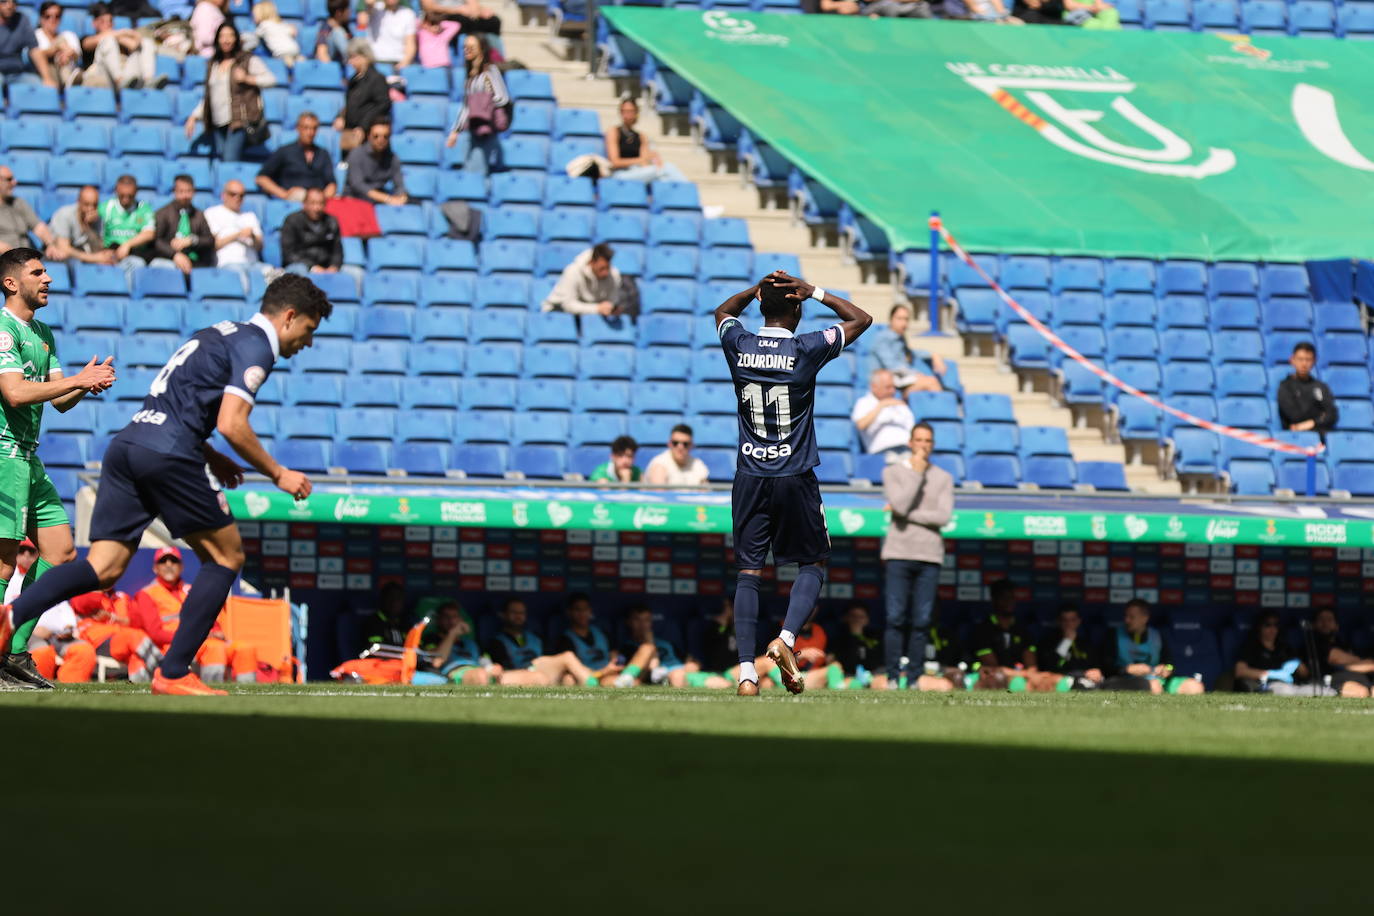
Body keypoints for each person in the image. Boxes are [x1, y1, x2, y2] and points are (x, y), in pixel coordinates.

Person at [2, 274, 331, 696]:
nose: (307, 343)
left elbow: (181, 403)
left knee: (105, 567)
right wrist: (278, 473)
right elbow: (232, 423)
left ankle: (11, 616)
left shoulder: (217, 333)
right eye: (309, 330)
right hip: (169, 454)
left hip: (130, 444)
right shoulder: (257, 346)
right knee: (226, 556)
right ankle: (173, 672)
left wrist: (212, 456)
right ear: (290, 316)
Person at [715, 271, 872, 695]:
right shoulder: (806, 349)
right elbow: (862, 319)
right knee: (813, 563)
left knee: (748, 573)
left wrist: (757, 289)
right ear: (798, 308)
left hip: (749, 475)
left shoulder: (740, 344)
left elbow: (724, 312)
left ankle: (747, 675)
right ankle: (785, 639)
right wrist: (815, 290)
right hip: (794, 474)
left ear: (762, 307)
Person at [0, 248, 116, 688]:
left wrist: (86, 381)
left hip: (29, 457)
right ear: (12, 283)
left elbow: (60, 399)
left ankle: (13, 649)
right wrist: (76, 381)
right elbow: (13, 393)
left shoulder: (43, 333)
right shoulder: (4, 330)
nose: (47, 279)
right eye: (37, 272)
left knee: (62, 551)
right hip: (4, 452)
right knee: (4, 564)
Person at [881, 421, 953, 687]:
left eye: (927, 441)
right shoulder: (893, 472)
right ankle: (891, 676)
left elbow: (943, 516)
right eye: (919, 440)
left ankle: (913, 678)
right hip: (898, 553)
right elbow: (900, 504)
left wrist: (907, 515)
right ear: (910, 443)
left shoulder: (944, 477)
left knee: (922, 621)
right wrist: (918, 474)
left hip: (929, 556)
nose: (923, 445)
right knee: (894, 618)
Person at [128, 546, 257, 682]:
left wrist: (216, 632)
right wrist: (191, 638)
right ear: (155, 568)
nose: (169, 565)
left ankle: (247, 694)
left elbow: (209, 618)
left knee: (245, 649)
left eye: (173, 561)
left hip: (204, 640)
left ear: (181, 567)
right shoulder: (147, 594)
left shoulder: (191, 590)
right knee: (215, 649)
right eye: (163, 561)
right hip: (173, 645)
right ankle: (212, 695)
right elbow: (155, 633)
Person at [183, 22, 276, 163]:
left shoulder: (246, 60)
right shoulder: (213, 64)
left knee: (229, 159)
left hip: (239, 121)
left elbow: (271, 79)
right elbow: (210, 96)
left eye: (230, 36)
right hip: (218, 122)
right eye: (222, 36)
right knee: (222, 158)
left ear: (236, 39)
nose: (226, 40)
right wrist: (194, 117)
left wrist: (247, 78)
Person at [484, 597, 600, 687]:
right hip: (520, 674)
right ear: (504, 615)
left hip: (540, 671)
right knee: (567, 657)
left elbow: (549, 658)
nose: (519, 616)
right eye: (514, 613)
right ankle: (594, 685)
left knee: (568, 679)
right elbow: (500, 669)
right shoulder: (497, 641)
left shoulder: (535, 638)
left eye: (522, 613)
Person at [1099, 598, 1204, 695]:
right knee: (1152, 686)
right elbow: (1105, 666)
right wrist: (1127, 669)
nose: (1127, 620)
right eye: (1126, 616)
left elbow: (1170, 664)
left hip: (1157, 680)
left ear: (1145, 618)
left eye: (1131, 617)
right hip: (1127, 680)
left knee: (1195, 687)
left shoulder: (1157, 636)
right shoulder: (1113, 635)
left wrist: (1166, 669)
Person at [445, 34, 507, 177]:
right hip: (473, 127)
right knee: (469, 168)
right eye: (465, 47)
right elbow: (467, 105)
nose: (467, 50)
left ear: (481, 49)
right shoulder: (471, 75)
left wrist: (483, 106)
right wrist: (455, 130)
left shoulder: (489, 71)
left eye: (471, 47)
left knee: (477, 170)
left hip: (485, 126)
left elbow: (502, 97)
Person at [967, 579, 1039, 690]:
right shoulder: (983, 629)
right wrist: (1025, 674)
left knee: (1042, 681)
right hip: (993, 679)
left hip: (1020, 678)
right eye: (1004, 598)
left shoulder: (1022, 629)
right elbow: (994, 669)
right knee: (996, 678)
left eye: (1011, 598)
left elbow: (1032, 668)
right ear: (994, 600)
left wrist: (1025, 674)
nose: (1009, 602)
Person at [282, 188, 359, 283]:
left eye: (320, 203)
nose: (317, 208)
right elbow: (289, 254)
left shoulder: (332, 221)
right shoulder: (292, 221)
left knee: (356, 273)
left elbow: (337, 251)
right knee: (299, 272)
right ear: (304, 204)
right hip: (301, 265)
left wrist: (334, 266)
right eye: (312, 203)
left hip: (327, 266)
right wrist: (312, 267)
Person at [256, 112, 337, 202]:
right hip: (294, 201)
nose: (310, 132)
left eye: (314, 128)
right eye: (306, 128)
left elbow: (332, 184)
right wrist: (283, 194)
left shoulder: (323, 153)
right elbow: (261, 178)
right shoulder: (285, 151)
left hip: (317, 203)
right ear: (298, 128)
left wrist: (320, 199)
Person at [604, 97, 687, 184]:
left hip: (638, 171)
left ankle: (684, 191)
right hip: (621, 174)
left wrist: (653, 159)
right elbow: (614, 162)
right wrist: (640, 160)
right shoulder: (614, 131)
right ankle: (686, 192)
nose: (627, 115)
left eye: (630, 111)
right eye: (624, 111)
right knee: (662, 170)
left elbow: (645, 163)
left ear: (636, 113)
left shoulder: (641, 136)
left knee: (666, 170)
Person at [865, 304, 944, 394]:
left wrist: (933, 355)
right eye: (899, 318)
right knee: (931, 382)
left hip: (900, 381)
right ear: (891, 320)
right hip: (885, 384)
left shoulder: (900, 338)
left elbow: (911, 353)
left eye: (906, 319)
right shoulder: (882, 338)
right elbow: (893, 366)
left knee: (931, 382)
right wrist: (916, 374)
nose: (904, 323)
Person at [79, 2, 158, 90]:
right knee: (108, 41)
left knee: (146, 43)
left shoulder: (118, 38)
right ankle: (119, 81)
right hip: (100, 76)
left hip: (127, 77)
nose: (108, 24)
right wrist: (122, 33)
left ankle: (148, 81)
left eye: (110, 21)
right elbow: (89, 44)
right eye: (102, 21)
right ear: (94, 24)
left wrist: (119, 36)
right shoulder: (87, 38)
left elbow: (135, 45)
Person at [541, 244, 634, 317]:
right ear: (591, 262)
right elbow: (568, 305)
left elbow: (611, 301)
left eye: (607, 268)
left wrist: (611, 309)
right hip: (559, 312)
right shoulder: (572, 271)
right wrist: (597, 309)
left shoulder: (614, 274)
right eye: (601, 268)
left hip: (590, 317)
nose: (605, 272)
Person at [150, 173, 216, 277]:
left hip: (195, 261)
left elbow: (209, 240)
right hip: (169, 259)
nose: (185, 195)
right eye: (181, 191)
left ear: (194, 192)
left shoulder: (199, 215)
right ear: (174, 192)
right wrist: (174, 254)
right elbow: (156, 241)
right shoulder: (163, 213)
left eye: (188, 191)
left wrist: (192, 240)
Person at [204, 180, 268, 282]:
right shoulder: (212, 213)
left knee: (277, 276)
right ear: (223, 195)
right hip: (228, 263)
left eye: (241, 195)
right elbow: (212, 245)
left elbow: (260, 247)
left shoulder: (250, 216)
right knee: (242, 278)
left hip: (253, 264)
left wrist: (253, 236)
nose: (237, 198)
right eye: (233, 194)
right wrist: (237, 235)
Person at [551, 592, 622, 684]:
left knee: (627, 681)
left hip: (608, 674)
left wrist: (615, 665)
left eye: (585, 609)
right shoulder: (565, 640)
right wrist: (602, 672)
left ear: (590, 611)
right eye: (577, 609)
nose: (582, 613)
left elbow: (616, 657)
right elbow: (573, 669)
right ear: (569, 612)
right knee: (568, 679)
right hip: (586, 678)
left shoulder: (602, 633)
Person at [334, 38, 389, 155]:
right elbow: (350, 103)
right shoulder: (354, 79)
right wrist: (341, 116)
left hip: (368, 134)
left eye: (353, 57)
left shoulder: (377, 79)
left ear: (365, 57)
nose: (350, 62)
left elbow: (383, 105)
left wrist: (364, 126)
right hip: (350, 132)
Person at [421, 600, 495, 685]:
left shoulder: (470, 642)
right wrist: (452, 633)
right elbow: (437, 661)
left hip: (479, 669)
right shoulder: (431, 639)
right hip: (454, 673)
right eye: (446, 617)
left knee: (512, 676)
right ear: (439, 620)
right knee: (480, 675)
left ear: (460, 619)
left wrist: (492, 668)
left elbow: (484, 660)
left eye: (455, 617)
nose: (451, 620)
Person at [1232, 611, 1305, 695]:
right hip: (1265, 686)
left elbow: (1305, 674)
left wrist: (1298, 665)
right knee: (1286, 691)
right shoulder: (1251, 647)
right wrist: (1269, 674)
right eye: (1268, 625)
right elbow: (1240, 671)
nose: (1272, 629)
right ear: (1259, 627)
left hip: (1293, 686)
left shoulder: (1285, 647)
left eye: (1275, 625)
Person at [1308, 607, 1374, 698]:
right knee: (1361, 692)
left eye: (1329, 620)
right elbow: (1335, 658)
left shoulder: (1343, 643)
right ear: (1314, 624)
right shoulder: (1314, 643)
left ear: (1336, 625)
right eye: (1321, 619)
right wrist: (1366, 663)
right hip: (1331, 680)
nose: (1325, 623)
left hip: (1361, 678)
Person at [1035, 603, 1103, 689]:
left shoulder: (1087, 643)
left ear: (1079, 621)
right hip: (1058, 680)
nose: (1068, 624)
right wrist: (1066, 642)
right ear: (1058, 621)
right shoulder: (1047, 642)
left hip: (1083, 680)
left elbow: (1095, 667)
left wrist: (1095, 671)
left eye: (1072, 620)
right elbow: (1049, 667)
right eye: (1065, 620)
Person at [47, 185, 117, 266]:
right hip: (56, 258)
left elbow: (98, 248)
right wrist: (94, 258)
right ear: (78, 202)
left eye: (94, 205)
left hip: (81, 255)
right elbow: (63, 249)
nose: (90, 209)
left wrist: (88, 226)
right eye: (86, 204)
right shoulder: (65, 215)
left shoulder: (98, 219)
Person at [1277, 342, 1338, 435]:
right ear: (1292, 360)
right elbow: (1295, 416)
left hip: (1320, 437)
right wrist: (1320, 416)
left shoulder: (1321, 387)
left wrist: (1312, 423)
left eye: (1308, 359)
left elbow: (1333, 415)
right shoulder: (1285, 386)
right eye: (1300, 359)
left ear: (1314, 361)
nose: (1304, 363)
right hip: (1295, 438)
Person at [344, 118, 408, 206]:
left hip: (379, 200)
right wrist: (387, 199)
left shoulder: (392, 158)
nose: (380, 140)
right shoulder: (356, 154)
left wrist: (402, 196)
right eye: (376, 136)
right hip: (357, 200)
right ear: (369, 136)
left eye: (385, 136)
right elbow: (358, 185)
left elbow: (399, 184)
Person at [852, 369, 915, 457]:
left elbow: (911, 427)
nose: (893, 391)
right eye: (888, 387)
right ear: (874, 387)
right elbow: (860, 424)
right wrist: (881, 406)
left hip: (907, 449)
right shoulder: (864, 403)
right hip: (882, 452)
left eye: (894, 387)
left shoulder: (899, 404)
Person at [98, 172, 156, 267]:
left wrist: (127, 245)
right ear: (116, 191)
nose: (126, 199)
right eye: (122, 195)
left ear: (136, 192)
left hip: (135, 253)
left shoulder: (144, 209)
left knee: (136, 264)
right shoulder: (106, 208)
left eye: (130, 196)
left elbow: (149, 233)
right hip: (110, 252)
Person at [826, 603, 887, 690]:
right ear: (845, 618)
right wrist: (854, 636)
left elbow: (875, 663)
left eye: (861, 617)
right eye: (853, 616)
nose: (857, 620)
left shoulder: (876, 637)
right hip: (847, 676)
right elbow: (845, 664)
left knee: (883, 682)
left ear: (867, 620)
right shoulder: (837, 637)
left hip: (873, 675)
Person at [0, 165, 55, 255]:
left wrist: (50, 244)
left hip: (26, 257)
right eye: (9, 179)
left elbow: (38, 227)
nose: (14, 182)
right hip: (5, 260)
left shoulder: (19, 203)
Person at [31, 2, 81, 88]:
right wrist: (57, 48)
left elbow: (77, 54)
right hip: (47, 73)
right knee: (60, 44)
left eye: (57, 16)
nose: (53, 19)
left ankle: (68, 80)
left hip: (67, 67)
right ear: (41, 18)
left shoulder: (69, 35)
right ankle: (68, 82)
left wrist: (67, 53)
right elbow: (35, 54)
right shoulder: (35, 35)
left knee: (62, 45)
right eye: (48, 16)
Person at [643, 423, 709, 486]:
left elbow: (706, 494)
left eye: (685, 444)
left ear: (691, 445)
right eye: (675, 443)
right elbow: (660, 495)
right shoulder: (659, 464)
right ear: (669, 444)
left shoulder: (697, 464)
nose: (680, 447)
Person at [0, 0, 41, 91]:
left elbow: (34, 49)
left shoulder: (22, 19)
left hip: (17, 73)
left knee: (38, 84)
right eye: (4, 1)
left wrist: (47, 78)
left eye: (13, 1)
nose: (9, 5)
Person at [366, 0, 416, 67]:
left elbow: (410, 43)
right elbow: (362, 19)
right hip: (375, 62)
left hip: (397, 62)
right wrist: (370, 4)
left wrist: (405, 62)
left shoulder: (408, 13)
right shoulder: (376, 8)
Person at [253, 0, 299, 65]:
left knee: (286, 66)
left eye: (255, 14)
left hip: (282, 53)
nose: (254, 17)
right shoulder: (280, 23)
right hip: (294, 49)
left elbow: (256, 35)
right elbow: (293, 31)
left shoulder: (263, 25)